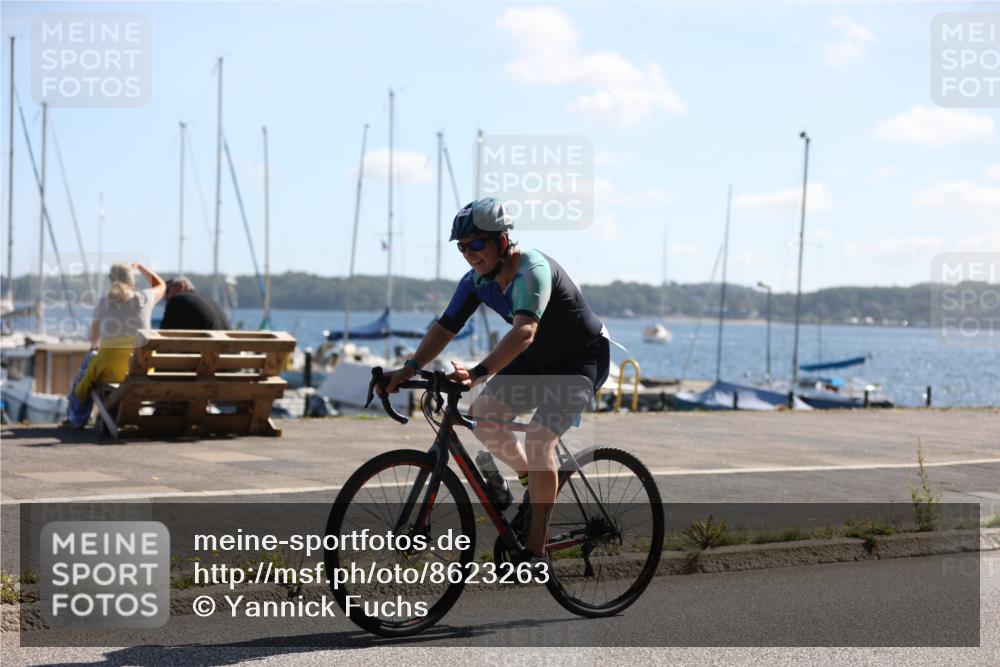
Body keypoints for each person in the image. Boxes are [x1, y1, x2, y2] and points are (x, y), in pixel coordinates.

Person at [379, 197, 610, 565]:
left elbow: (524, 333)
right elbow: (444, 327)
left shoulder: (531, 270)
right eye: (462, 247)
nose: (469, 254)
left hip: (579, 361)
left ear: (501, 240)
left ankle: (535, 551)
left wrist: (477, 373)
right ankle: (529, 484)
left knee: (538, 440)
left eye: (476, 244)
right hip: (537, 362)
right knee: (484, 417)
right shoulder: (476, 281)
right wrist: (406, 370)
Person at [64, 262, 166, 428]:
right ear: (132, 281)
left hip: (108, 370)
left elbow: (93, 339)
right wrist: (141, 268)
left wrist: (95, 346)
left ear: (111, 280)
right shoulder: (144, 298)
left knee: (90, 362)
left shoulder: (103, 302)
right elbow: (161, 285)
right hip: (141, 371)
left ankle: (76, 418)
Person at [159, 277, 232, 330]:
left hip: (205, 349)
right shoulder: (208, 299)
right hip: (227, 349)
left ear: (181, 286)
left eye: (167, 291)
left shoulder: (177, 299)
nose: (165, 297)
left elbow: (165, 332)